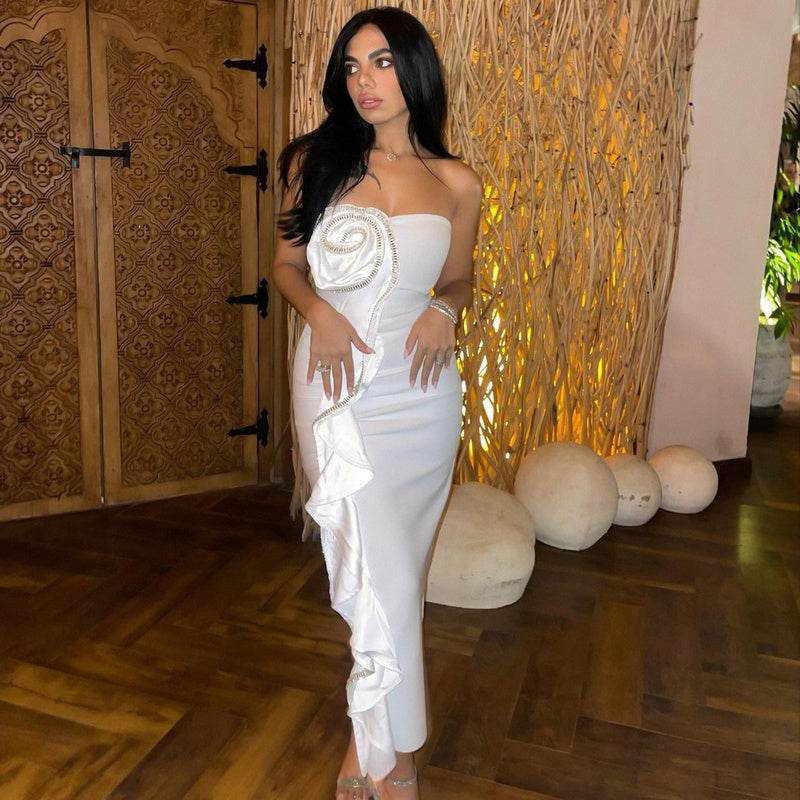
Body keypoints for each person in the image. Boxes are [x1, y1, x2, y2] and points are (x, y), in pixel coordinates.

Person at [272, 6, 482, 799]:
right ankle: (390, 751)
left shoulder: (457, 183)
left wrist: (445, 310)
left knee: (401, 571)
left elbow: (458, 276)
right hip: (335, 384)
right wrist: (319, 315)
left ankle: (377, 740)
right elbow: (286, 265)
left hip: (422, 393)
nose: (365, 81)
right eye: (352, 66)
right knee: (369, 563)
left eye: (383, 62)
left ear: (415, 70)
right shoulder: (317, 161)